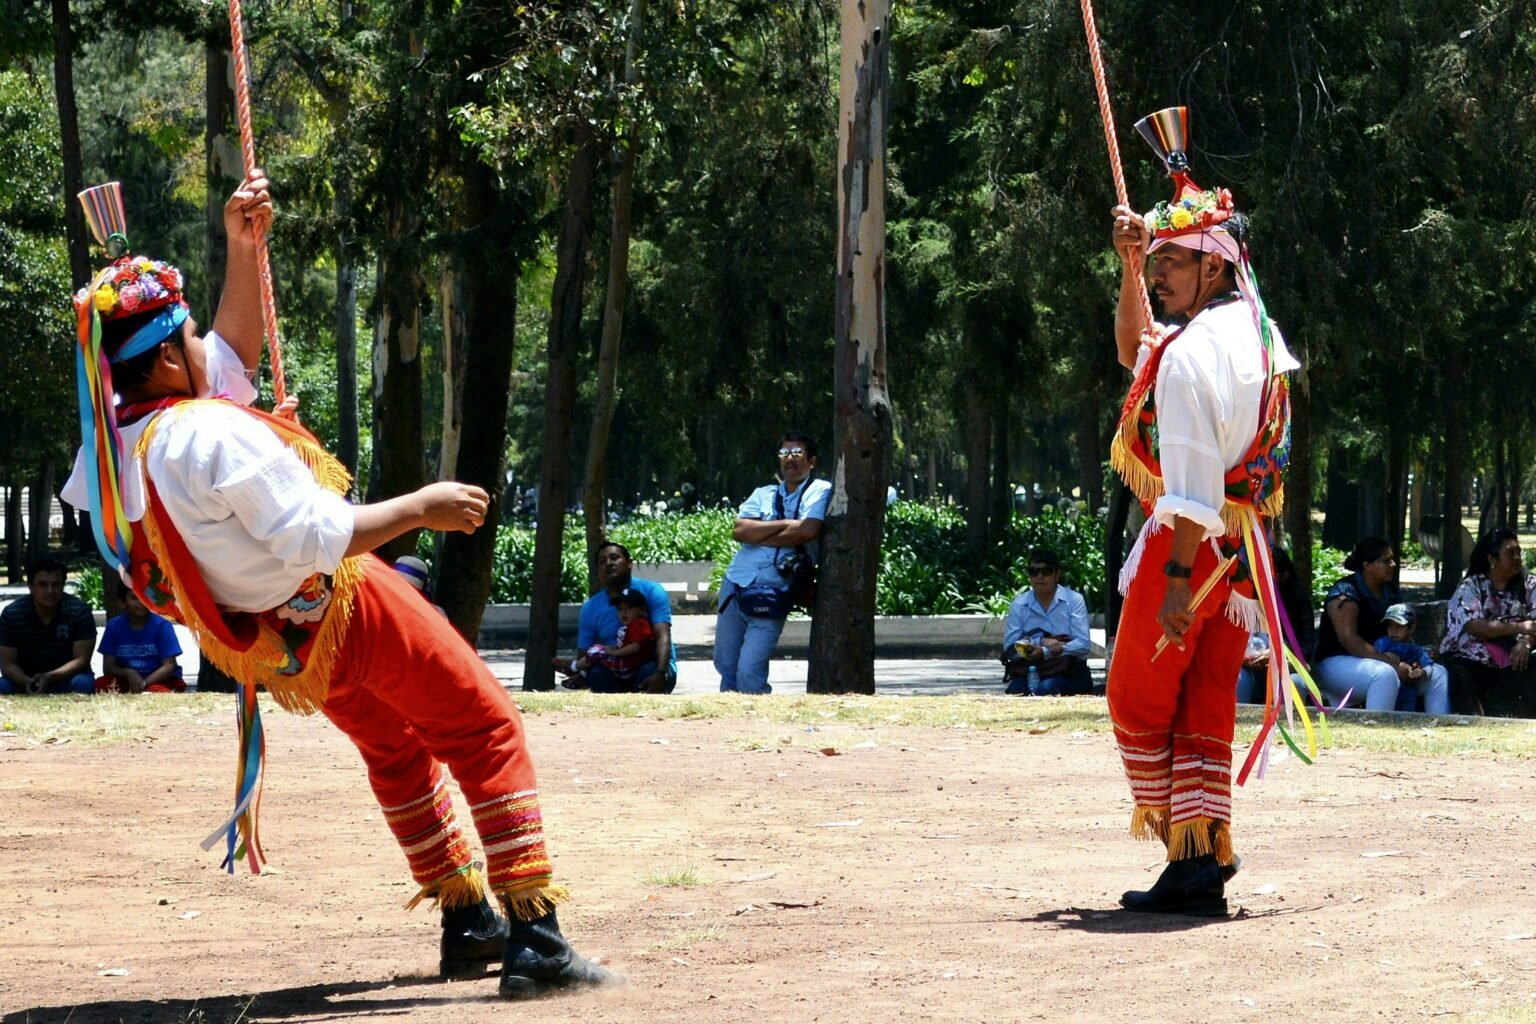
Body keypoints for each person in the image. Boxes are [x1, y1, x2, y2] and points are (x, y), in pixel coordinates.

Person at [60, 171, 613, 999]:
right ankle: (534, 932)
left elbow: (230, 360)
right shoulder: (207, 434)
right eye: (191, 342)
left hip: (276, 649)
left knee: (393, 744)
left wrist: (244, 251)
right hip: (340, 606)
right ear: (170, 357)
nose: (210, 355)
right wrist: (420, 506)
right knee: (483, 726)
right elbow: (320, 536)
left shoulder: (113, 454)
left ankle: (467, 918)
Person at [1104, 119, 1299, 916]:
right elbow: (1130, 348)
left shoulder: (1188, 357)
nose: (1158, 278)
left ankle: (1189, 848)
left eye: (1171, 263)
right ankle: (1200, 859)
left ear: (1215, 263)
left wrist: (1178, 582)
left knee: (1136, 698)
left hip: (1194, 551)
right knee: (1205, 699)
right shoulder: (1256, 330)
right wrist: (1128, 264)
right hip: (1245, 558)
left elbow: (1184, 490)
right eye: (1155, 265)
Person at [714, 432, 831, 695]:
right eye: (784, 454)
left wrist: (762, 532)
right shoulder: (763, 493)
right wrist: (787, 524)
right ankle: (728, 725)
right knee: (725, 664)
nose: (790, 459)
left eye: (797, 453)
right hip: (735, 584)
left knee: (749, 671)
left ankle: (756, 723)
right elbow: (740, 530)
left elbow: (808, 530)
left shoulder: (820, 490)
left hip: (774, 592)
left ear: (811, 461)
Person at [1313, 537, 1449, 715]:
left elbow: (1404, 632)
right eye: (1386, 560)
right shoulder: (1345, 591)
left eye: (1392, 559)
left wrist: (1415, 662)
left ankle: (1437, 730)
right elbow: (1349, 640)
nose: (1393, 564)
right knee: (1384, 675)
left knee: (1437, 673)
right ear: (1367, 565)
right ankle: (1377, 730)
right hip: (1336, 663)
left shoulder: (1390, 592)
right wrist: (1394, 664)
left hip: (1386, 661)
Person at [554, 540, 676, 693]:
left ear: (629, 563)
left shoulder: (653, 591)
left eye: (614, 558)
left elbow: (662, 636)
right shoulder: (591, 607)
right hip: (614, 669)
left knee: (649, 670)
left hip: (652, 664)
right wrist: (581, 671)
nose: (608, 563)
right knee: (597, 675)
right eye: (602, 561)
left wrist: (661, 673)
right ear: (598, 570)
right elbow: (585, 653)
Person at [1439, 527, 1536, 717]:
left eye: (1518, 552)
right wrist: (1519, 627)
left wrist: (1526, 642)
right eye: (1510, 553)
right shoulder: (1471, 587)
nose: (1517, 557)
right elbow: (1476, 627)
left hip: (1516, 660)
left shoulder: (1529, 585)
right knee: (1460, 674)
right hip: (1472, 660)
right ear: (1492, 559)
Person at [999, 547, 1093, 696]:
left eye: (1046, 571)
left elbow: (1083, 644)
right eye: (1034, 572)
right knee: (1015, 690)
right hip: (1030, 669)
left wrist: (1044, 652)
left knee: (1046, 689)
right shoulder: (1019, 604)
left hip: (1068, 670)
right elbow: (1010, 648)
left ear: (1057, 575)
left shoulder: (1074, 600)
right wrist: (1040, 640)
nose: (1040, 577)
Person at [0, 557, 97, 695]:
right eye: (43, 585)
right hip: (25, 679)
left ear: (63, 585)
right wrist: (26, 681)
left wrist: (49, 677)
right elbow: (7, 664)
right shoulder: (12, 614)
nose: (50, 591)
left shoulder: (79, 611)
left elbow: (82, 660)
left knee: (83, 684)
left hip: (68, 678)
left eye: (56, 584)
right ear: (31, 587)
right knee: (2, 686)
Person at [1235, 547, 1314, 704]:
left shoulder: (1298, 604)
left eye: (1268, 571)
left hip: (1283, 667)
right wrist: (1243, 657)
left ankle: (1288, 726)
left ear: (1284, 575)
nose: (1259, 576)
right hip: (1244, 667)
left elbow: (1305, 650)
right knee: (1239, 680)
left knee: (1295, 682)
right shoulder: (1239, 598)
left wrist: (1277, 656)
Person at [96, 580, 184, 693]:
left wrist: (144, 683)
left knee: (157, 693)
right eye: (135, 598)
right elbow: (108, 667)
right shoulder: (114, 626)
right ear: (122, 602)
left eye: (145, 597)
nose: (141, 603)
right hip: (126, 679)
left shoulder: (162, 625)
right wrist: (129, 673)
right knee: (101, 685)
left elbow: (169, 666)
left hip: (159, 680)